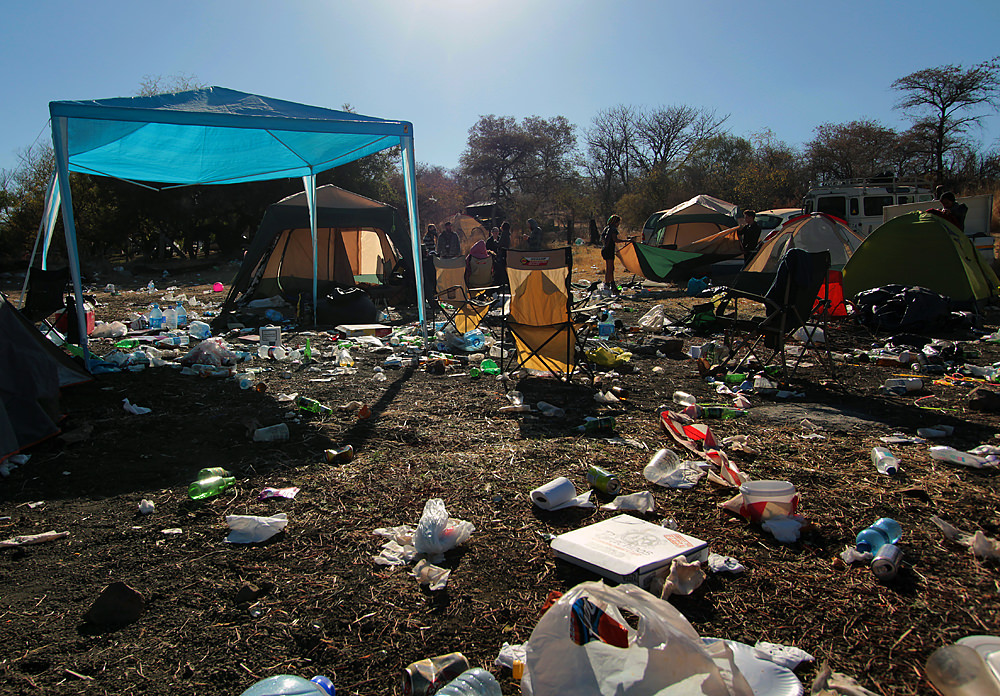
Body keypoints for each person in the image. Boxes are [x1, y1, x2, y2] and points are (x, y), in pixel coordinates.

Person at [601, 214, 621, 295]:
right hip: (609, 251)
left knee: (609, 268)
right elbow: (615, 240)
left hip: (605, 250)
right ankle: (611, 285)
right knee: (610, 268)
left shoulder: (606, 228)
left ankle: (608, 283)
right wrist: (627, 241)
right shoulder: (613, 229)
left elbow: (602, 239)